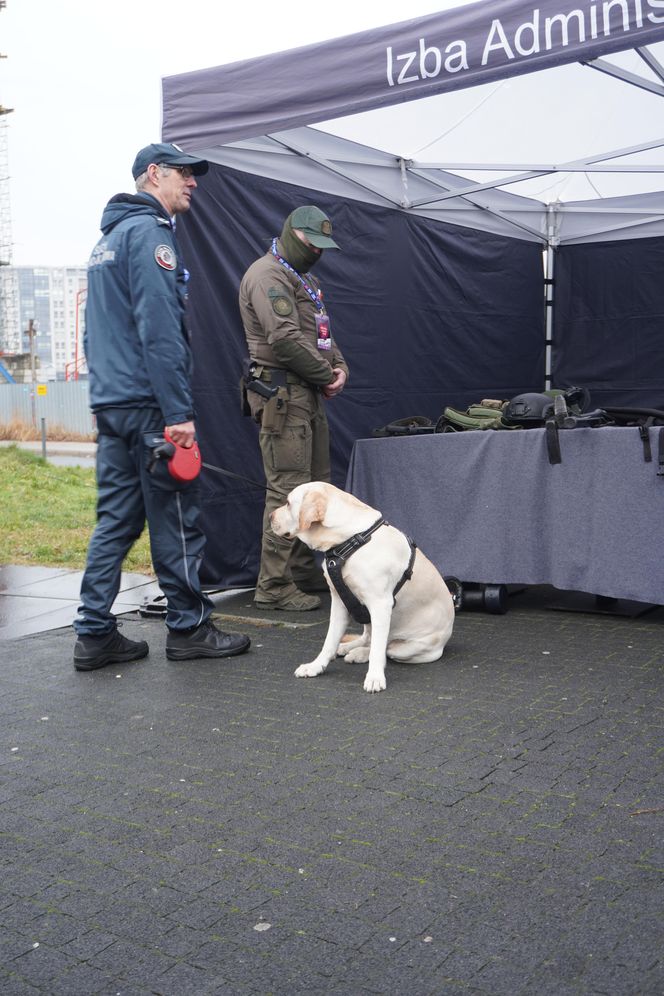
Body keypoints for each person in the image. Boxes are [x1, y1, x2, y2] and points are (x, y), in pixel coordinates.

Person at [73, 142, 250, 671]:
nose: (192, 182)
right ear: (154, 175)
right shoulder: (151, 235)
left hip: (113, 406)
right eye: (184, 174)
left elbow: (94, 334)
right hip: (151, 409)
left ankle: (95, 633)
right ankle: (190, 627)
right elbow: (160, 332)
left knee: (115, 522)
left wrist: (107, 399)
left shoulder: (104, 243)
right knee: (176, 517)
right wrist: (177, 414)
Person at [239, 205, 349, 611]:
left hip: (307, 393)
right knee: (287, 491)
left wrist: (340, 368)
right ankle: (274, 586)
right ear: (291, 234)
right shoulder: (268, 275)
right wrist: (325, 374)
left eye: (323, 246)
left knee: (315, 486)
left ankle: (303, 572)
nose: (317, 252)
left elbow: (322, 335)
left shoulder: (305, 279)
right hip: (283, 396)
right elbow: (284, 339)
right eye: (311, 243)